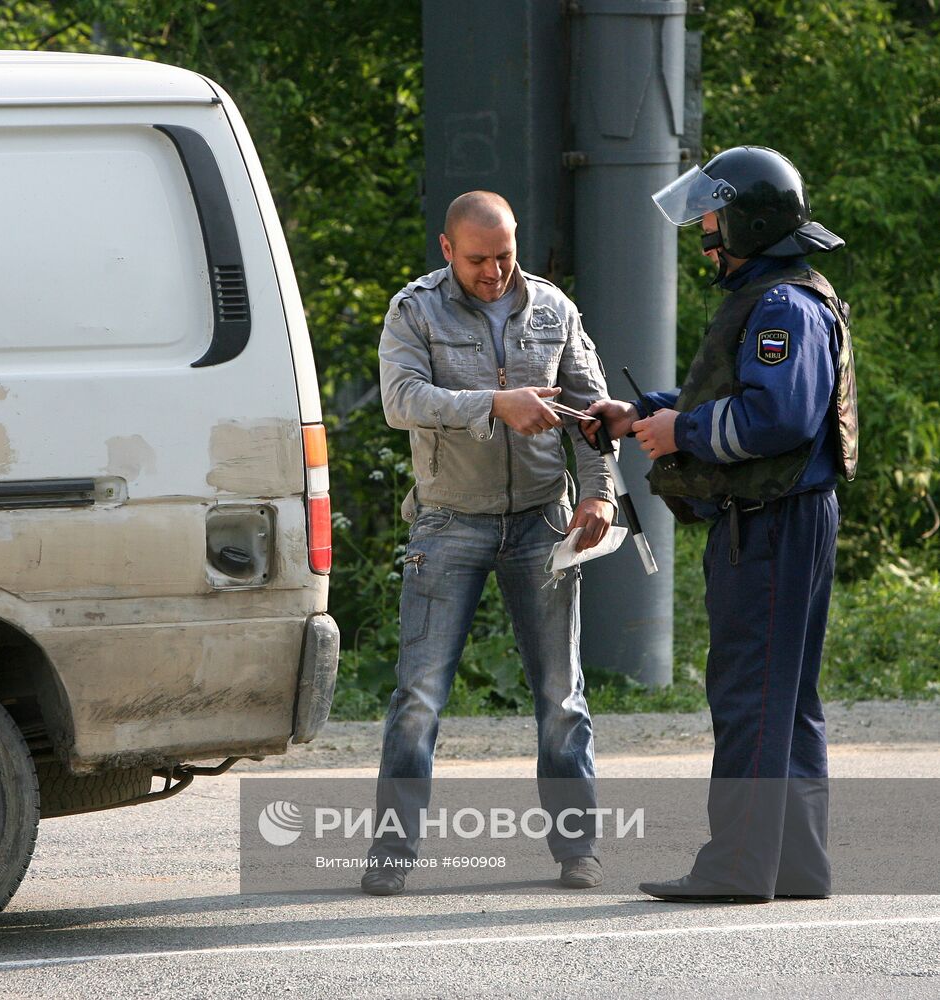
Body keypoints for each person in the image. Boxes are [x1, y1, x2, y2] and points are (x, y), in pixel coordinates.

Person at [586, 146, 858, 902]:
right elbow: (736, 395)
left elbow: (777, 418)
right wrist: (641, 415)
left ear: (747, 221)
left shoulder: (782, 306)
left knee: (750, 694)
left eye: (712, 216)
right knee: (785, 697)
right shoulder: (779, 294)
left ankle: (738, 865)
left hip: (770, 524)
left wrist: (682, 431)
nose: (704, 232)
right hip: (789, 518)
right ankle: (795, 864)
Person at [361, 190, 617, 896]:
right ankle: (392, 851)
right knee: (419, 696)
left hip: (542, 522)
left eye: (505, 255)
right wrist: (493, 405)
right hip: (449, 521)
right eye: (478, 259)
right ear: (447, 250)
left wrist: (599, 491)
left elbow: (594, 415)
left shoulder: (554, 309)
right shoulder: (415, 309)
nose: (494, 271)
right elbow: (400, 400)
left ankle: (578, 850)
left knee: (562, 696)